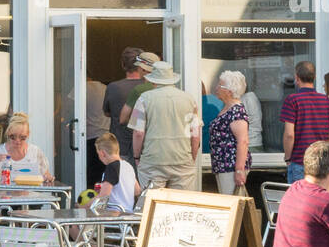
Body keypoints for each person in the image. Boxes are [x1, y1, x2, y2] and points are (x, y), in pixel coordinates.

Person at [128, 61, 201, 190]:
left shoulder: (144, 98)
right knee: (180, 206)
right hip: (182, 158)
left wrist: (137, 157)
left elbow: (138, 133)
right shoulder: (189, 99)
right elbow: (195, 135)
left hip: (153, 159)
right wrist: (192, 157)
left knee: (151, 203)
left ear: (153, 80)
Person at [280, 61, 329, 183]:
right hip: (322, 163)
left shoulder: (293, 100)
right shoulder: (325, 100)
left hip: (300, 161)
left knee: (298, 200)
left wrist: (288, 158)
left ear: (297, 77)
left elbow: (289, 135)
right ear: (314, 77)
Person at [0, 112, 55, 184]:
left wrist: (48, 178)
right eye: (13, 137)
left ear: (28, 134)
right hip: (3, 197)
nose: (17, 141)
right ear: (8, 133)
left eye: (22, 138)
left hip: (31, 197)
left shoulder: (35, 152)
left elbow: (46, 175)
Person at [210, 70, 251, 195]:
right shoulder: (227, 108)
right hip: (223, 165)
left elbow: (243, 141)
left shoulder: (236, 111)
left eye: (220, 85)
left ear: (229, 91)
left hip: (231, 166)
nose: (216, 88)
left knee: (232, 203)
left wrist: (239, 170)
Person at [103, 47, 146, 165]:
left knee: (121, 180)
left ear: (123, 65)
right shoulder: (149, 87)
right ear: (142, 66)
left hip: (119, 144)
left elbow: (106, 112)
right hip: (144, 145)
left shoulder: (113, 87)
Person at [91, 133, 141, 212]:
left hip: (114, 216)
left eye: (98, 154)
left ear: (102, 153)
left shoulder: (112, 167)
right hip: (128, 214)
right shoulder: (128, 166)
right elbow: (137, 191)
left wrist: (84, 206)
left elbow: (103, 197)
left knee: (79, 218)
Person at [85, 78, 110, 187]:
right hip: (106, 135)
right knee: (102, 171)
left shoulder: (82, 88)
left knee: (91, 172)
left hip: (90, 135)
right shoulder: (106, 88)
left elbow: (69, 109)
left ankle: (91, 198)